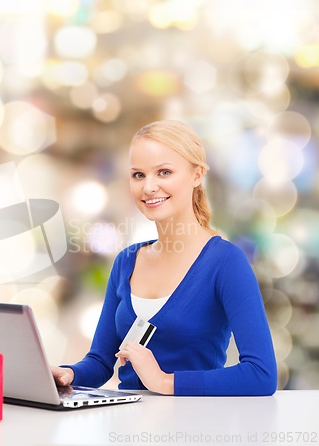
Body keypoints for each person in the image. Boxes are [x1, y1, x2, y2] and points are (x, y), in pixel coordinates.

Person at [52, 120, 277, 396]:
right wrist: (68, 374)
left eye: (164, 172)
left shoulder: (225, 262)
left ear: (197, 175)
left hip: (194, 430)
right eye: (138, 175)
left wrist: (163, 382)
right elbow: (100, 362)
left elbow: (261, 375)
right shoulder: (127, 261)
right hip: (130, 430)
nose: (149, 187)